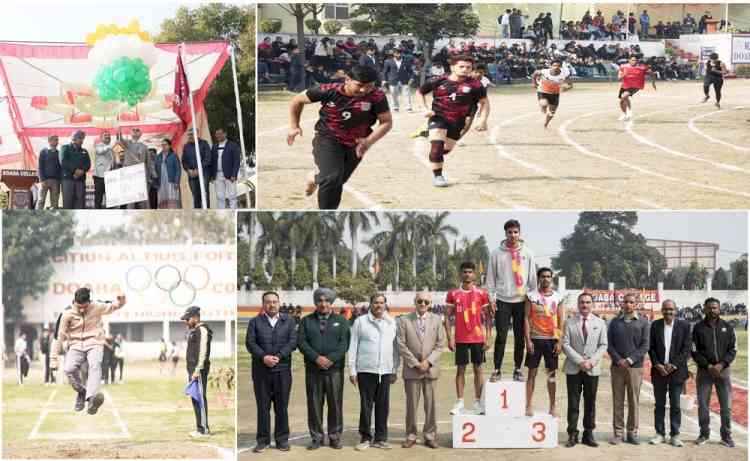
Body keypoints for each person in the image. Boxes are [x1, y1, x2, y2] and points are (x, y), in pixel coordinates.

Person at [287, 66, 393, 209]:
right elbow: (297, 100)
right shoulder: (329, 90)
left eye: (369, 86)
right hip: (328, 138)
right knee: (332, 179)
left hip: (357, 144)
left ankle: (314, 177)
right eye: (360, 85)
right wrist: (294, 126)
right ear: (347, 80)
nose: (364, 90)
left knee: (337, 181)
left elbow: (386, 122)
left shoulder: (377, 96)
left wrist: (368, 141)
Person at [416, 55, 489, 187]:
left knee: (446, 150)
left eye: (468, 67)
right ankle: (438, 176)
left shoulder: (476, 85)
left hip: (458, 121)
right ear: (452, 67)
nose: (465, 69)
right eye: (461, 66)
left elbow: (484, 103)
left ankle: (433, 148)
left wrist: (483, 120)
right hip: (438, 117)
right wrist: (424, 108)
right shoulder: (439, 80)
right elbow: (420, 92)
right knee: (436, 147)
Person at [51, 288, 126, 414]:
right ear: (75, 301)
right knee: (68, 369)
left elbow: (114, 306)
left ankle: (91, 399)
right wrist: (54, 359)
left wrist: (122, 300)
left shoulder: (96, 306)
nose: (82, 310)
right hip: (75, 345)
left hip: (94, 343)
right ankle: (81, 391)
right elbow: (59, 336)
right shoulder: (66, 313)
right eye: (79, 307)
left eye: (85, 307)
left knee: (95, 366)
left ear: (89, 302)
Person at [297, 288, 351, 449]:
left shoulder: (341, 321)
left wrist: (330, 359)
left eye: (327, 300)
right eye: (320, 300)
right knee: (314, 404)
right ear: (315, 302)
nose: (323, 304)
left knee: (335, 404)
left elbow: (344, 344)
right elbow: (302, 343)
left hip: (334, 370)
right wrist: (316, 358)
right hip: (313, 371)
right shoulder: (306, 321)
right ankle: (317, 437)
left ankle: (334, 436)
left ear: (331, 302)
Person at [486, 219, 537, 382]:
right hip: (502, 300)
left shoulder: (528, 253)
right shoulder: (496, 253)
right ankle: (497, 369)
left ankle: (517, 369)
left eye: (515, 232)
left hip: (522, 300)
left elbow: (532, 279)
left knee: (519, 337)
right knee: (501, 336)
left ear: (519, 233)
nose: (513, 235)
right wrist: (491, 299)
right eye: (510, 232)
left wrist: (532, 299)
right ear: (505, 233)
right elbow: (490, 279)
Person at [247, 291, 297, 453]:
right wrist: (264, 357)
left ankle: (282, 440)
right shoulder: (255, 322)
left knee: (281, 406)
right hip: (261, 372)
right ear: (263, 304)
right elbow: (250, 343)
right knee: (263, 407)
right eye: (268, 302)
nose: (272, 304)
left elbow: (293, 342)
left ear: (279, 303)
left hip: (282, 371)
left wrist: (279, 356)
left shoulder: (288, 321)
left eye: (275, 301)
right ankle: (263, 440)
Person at [348, 293, 399, 451]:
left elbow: (395, 348)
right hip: (365, 370)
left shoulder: (391, 322)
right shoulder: (360, 322)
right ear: (370, 304)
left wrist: (394, 369)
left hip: (385, 371)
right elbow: (353, 346)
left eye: (381, 303)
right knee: (366, 405)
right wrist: (352, 370)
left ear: (385, 305)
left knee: (383, 406)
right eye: (376, 302)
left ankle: (381, 438)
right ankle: (365, 437)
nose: (378, 305)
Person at [396, 292, 445, 449]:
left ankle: (430, 435)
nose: (423, 303)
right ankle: (411, 435)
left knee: (430, 405)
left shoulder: (437, 320)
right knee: (411, 405)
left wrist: (428, 362)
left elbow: (440, 345)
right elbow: (401, 344)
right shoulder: (404, 320)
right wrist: (416, 363)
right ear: (415, 302)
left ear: (430, 304)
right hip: (412, 370)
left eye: (426, 301)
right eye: (420, 301)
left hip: (430, 370)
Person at [444, 262, 490, 416]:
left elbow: (488, 318)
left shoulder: (482, 294)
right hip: (461, 338)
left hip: (477, 338)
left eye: (470, 272)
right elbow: (447, 317)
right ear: (461, 274)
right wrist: (449, 338)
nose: (467, 274)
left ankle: (478, 402)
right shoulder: (453, 293)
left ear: (474, 274)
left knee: (478, 369)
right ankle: (460, 402)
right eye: (465, 272)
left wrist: (488, 337)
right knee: (461, 369)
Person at [562, 293, 607, 448]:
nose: (585, 305)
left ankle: (588, 434)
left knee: (590, 403)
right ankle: (572, 434)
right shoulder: (569, 322)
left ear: (592, 304)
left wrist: (591, 362)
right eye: (582, 302)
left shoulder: (600, 323)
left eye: (588, 302)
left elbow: (603, 345)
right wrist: (581, 361)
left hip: (592, 369)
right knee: (573, 403)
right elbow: (565, 344)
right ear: (578, 304)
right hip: (574, 368)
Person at [692, 297, 736, 447]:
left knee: (726, 406)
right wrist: (708, 366)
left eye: (715, 307)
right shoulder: (698, 328)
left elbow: (733, 349)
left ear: (719, 309)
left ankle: (726, 435)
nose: (712, 310)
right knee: (703, 404)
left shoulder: (727, 327)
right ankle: (704, 434)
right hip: (705, 372)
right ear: (704, 308)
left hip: (723, 372)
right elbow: (694, 351)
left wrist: (722, 364)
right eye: (709, 307)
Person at [607, 293, 650, 445]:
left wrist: (630, 359)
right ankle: (618, 433)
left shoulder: (644, 323)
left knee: (633, 401)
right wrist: (618, 360)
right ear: (622, 304)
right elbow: (609, 345)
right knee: (618, 401)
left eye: (631, 302)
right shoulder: (614, 322)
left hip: (635, 368)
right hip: (617, 367)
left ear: (636, 304)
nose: (628, 304)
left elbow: (645, 345)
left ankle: (632, 433)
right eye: (625, 302)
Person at [648, 299, 691, 447]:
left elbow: (686, 349)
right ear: (662, 310)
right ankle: (659, 433)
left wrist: (674, 365)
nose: (668, 312)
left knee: (676, 405)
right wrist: (657, 364)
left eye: (671, 309)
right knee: (659, 404)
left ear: (676, 310)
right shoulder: (655, 325)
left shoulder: (684, 326)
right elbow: (651, 348)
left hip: (676, 372)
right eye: (666, 309)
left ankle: (675, 435)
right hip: (659, 371)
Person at [524, 267, 565, 416]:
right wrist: (528, 340)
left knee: (551, 375)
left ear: (551, 278)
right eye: (543, 276)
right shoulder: (530, 296)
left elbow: (561, 320)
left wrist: (559, 341)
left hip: (551, 340)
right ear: (538, 278)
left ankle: (552, 406)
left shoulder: (558, 297)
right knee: (531, 374)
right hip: (535, 339)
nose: (546, 279)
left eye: (548, 276)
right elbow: (526, 318)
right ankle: (528, 405)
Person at [183, 305, 213, 437]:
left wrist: (197, 369)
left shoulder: (202, 330)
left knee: (200, 398)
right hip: (192, 370)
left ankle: (204, 429)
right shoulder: (195, 330)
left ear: (195, 317)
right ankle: (199, 427)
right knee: (195, 398)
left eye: (188, 319)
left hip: (198, 371)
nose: (186, 322)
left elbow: (203, 352)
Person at [532, 59, 572, 129]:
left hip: (555, 94)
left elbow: (570, 85)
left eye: (558, 66)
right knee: (544, 104)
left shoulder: (564, 74)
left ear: (561, 67)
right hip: (543, 91)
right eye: (554, 65)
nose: (556, 67)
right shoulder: (545, 72)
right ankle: (543, 108)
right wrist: (534, 83)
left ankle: (545, 124)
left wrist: (566, 88)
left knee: (552, 112)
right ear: (551, 66)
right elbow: (535, 73)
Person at [121, 127, 154, 209]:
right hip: (130, 175)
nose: (135, 131)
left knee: (144, 200)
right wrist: (119, 130)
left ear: (140, 134)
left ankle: (145, 218)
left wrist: (151, 175)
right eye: (133, 130)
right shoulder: (126, 144)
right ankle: (130, 218)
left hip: (141, 175)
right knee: (131, 200)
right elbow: (120, 140)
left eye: (137, 130)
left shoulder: (144, 147)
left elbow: (148, 162)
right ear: (130, 133)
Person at [618, 55, 656, 121]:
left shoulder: (641, 68)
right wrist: (624, 75)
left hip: (635, 86)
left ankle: (628, 113)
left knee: (624, 97)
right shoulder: (623, 67)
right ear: (629, 60)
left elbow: (652, 74)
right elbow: (619, 78)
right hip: (624, 86)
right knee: (622, 100)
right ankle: (625, 114)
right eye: (632, 60)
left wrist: (653, 83)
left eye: (635, 60)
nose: (634, 61)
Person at [210, 128, 241, 209]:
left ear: (225, 134)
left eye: (220, 134)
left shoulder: (233, 145)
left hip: (230, 175)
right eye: (217, 134)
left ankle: (233, 212)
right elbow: (212, 161)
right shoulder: (214, 146)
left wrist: (234, 174)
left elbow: (237, 161)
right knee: (220, 197)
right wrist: (212, 176)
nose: (218, 136)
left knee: (232, 196)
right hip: (217, 175)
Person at [60, 130, 91, 209]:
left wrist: (82, 171)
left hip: (80, 180)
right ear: (73, 138)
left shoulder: (84, 151)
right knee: (68, 202)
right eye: (79, 138)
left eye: (82, 138)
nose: (82, 140)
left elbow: (88, 164)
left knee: (80, 202)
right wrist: (75, 170)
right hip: (68, 180)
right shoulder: (65, 148)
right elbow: (63, 161)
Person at [182, 131, 212, 209]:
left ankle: (207, 213)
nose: (190, 136)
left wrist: (199, 169)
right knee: (195, 195)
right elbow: (184, 161)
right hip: (192, 175)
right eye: (189, 134)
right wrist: (188, 170)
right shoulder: (186, 146)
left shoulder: (204, 143)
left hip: (203, 173)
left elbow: (208, 158)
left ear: (197, 134)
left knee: (204, 193)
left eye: (191, 134)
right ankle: (197, 213)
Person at [155, 139, 182, 209]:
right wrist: (155, 183)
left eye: (165, 145)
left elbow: (178, 169)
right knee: (163, 200)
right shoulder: (158, 157)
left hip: (171, 182)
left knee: (172, 199)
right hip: (161, 182)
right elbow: (154, 170)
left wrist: (176, 182)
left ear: (169, 146)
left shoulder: (173, 156)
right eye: (162, 145)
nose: (164, 146)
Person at [37, 135, 62, 209]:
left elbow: (61, 167)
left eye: (57, 140)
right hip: (45, 180)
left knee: (55, 203)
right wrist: (42, 180)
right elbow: (40, 167)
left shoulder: (59, 153)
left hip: (56, 181)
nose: (56, 142)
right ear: (49, 141)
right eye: (55, 140)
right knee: (41, 200)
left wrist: (59, 180)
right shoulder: (43, 152)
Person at [93, 131, 115, 209]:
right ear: (101, 138)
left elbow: (119, 157)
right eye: (105, 135)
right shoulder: (98, 146)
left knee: (111, 198)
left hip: (111, 176)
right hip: (100, 176)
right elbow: (101, 151)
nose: (107, 136)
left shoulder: (113, 147)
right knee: (98, 198)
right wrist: (111, 146)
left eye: (109, 135)